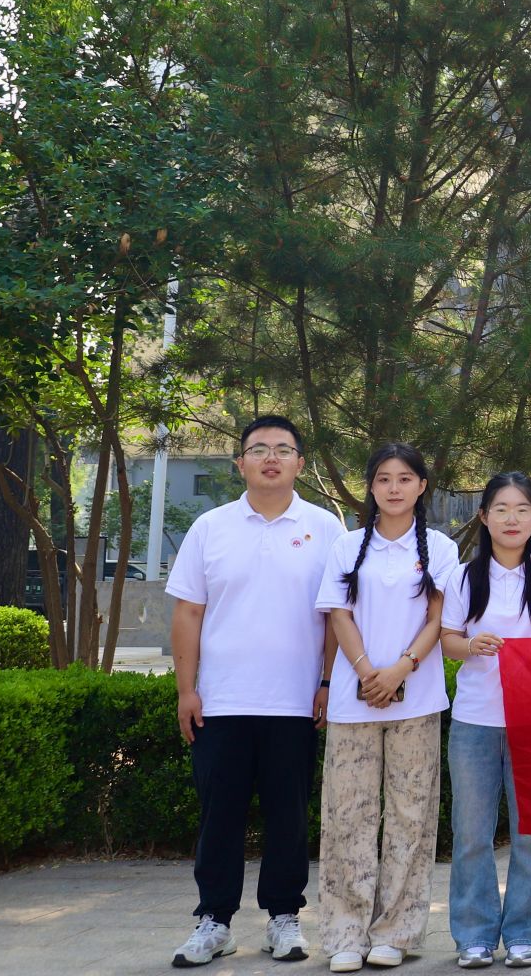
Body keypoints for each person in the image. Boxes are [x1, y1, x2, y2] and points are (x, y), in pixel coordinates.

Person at [167, 415, 345, 968]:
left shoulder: (326, 529)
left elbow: (336, 616)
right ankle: (214, 921)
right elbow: (188, 613)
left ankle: (284, 918)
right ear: (240, 463)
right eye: (260, 449)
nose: (272, 458)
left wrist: (326, 681)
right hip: (221, 702)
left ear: (300, 463)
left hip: (294, 702)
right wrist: (186, 690)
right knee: (219, 815)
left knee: (289, 817)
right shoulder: (211, 527)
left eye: (283, 449)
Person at [317, 443, 458, 972]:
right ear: (371, 487)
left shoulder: (440, 547)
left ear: (422, 486)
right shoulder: (348, 545)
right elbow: (339, 614)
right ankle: (345, 934)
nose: (393, 488)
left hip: (417, 699)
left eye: (404, 478)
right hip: (354, 702)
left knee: (411, 816)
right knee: (346, 815)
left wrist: (401, 669)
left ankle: (395, 932)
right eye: (383, 479)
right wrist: (365, 671)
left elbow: (440, 618)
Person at [443, 472, 531, 969]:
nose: (511, 518)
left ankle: (525, 933)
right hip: (475, 719)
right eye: (500, 509)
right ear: (484, 517)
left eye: (521, 509)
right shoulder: (464, 577)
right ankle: (473, 935)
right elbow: (448, 640)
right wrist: (471, 645)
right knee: (471, 834)